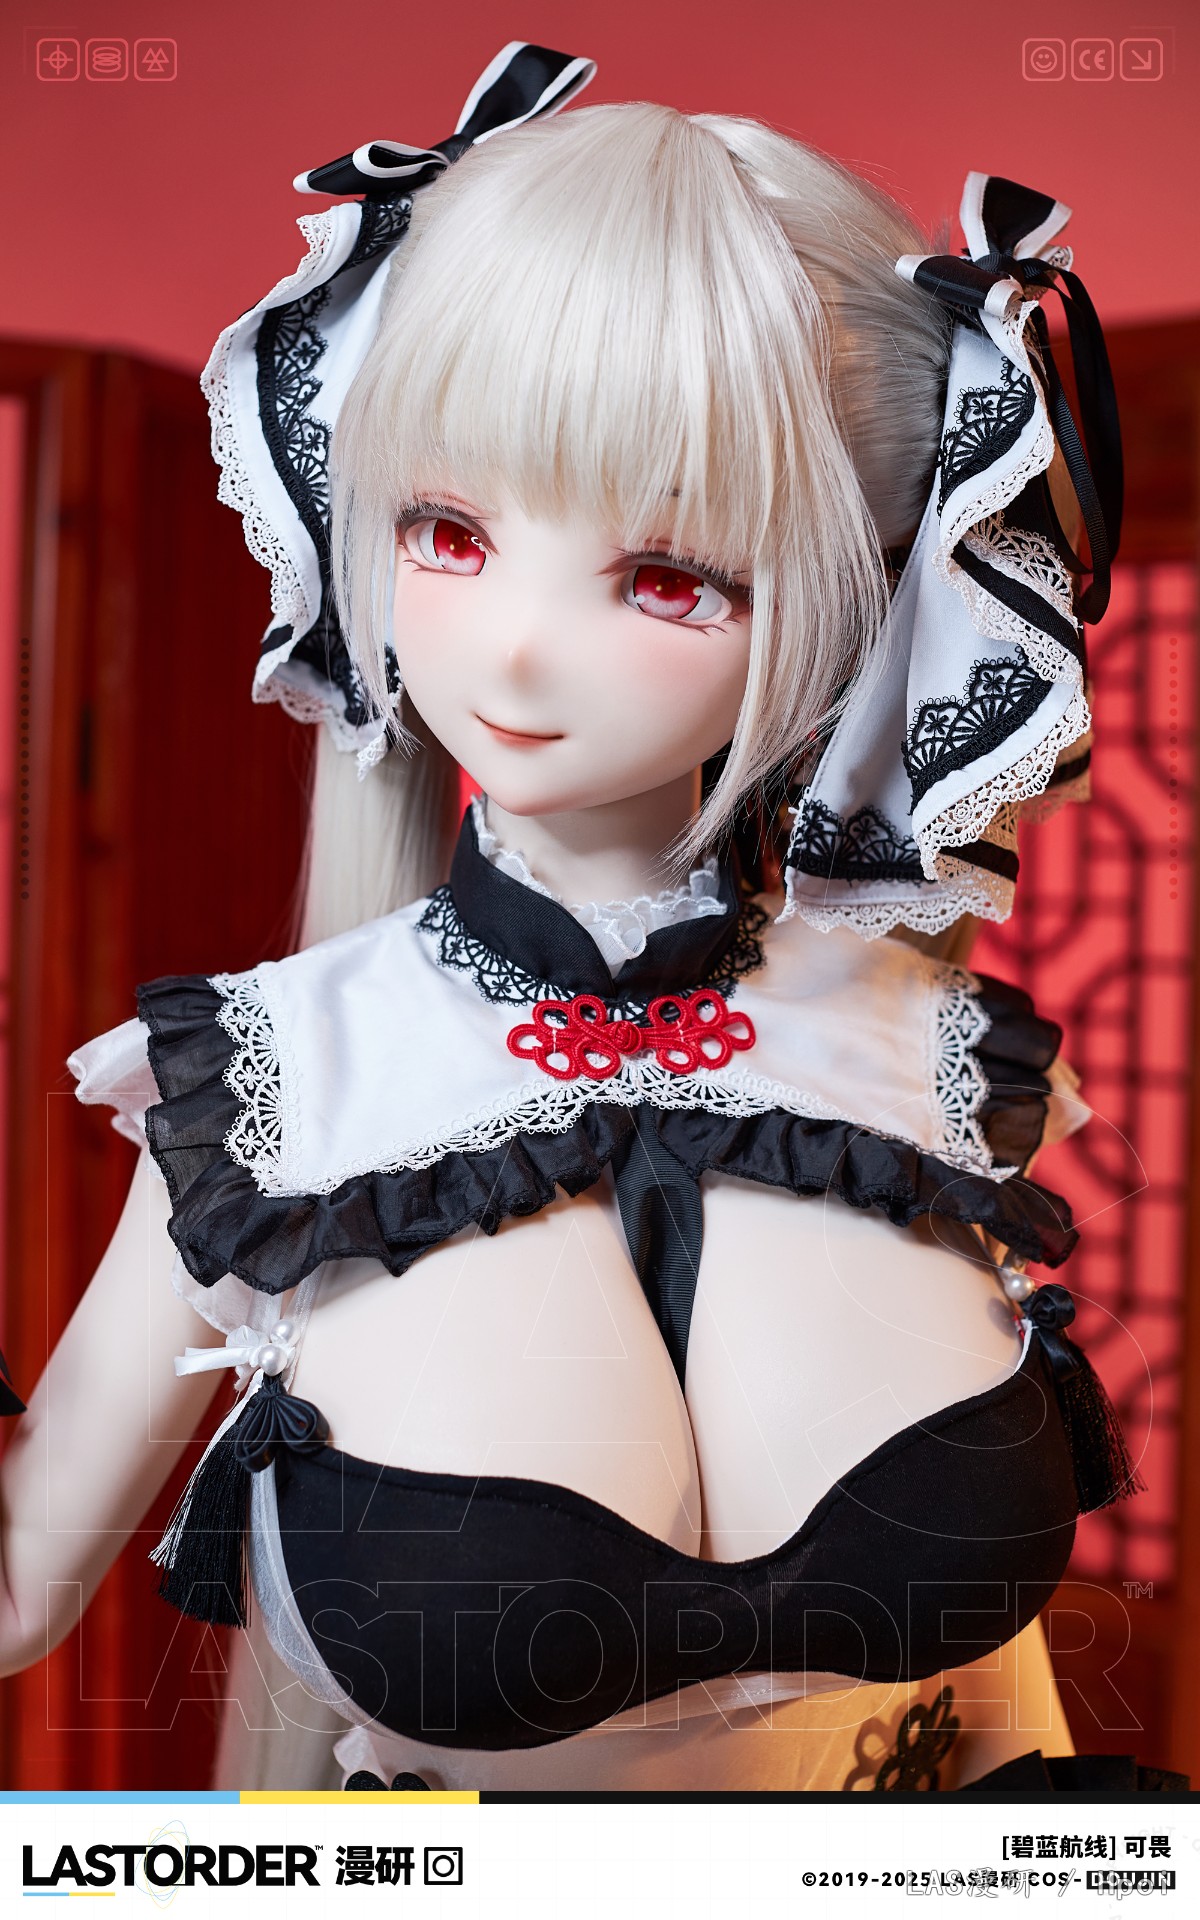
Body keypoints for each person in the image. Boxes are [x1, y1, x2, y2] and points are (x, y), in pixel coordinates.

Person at [0, 44, 1159, 1794]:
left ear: (857, 602)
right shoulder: (281, 1084)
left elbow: (998, 1711)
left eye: (666, 576)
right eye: (448, 530)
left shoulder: (924, 1060)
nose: (519, 648)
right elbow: (22, 1587)